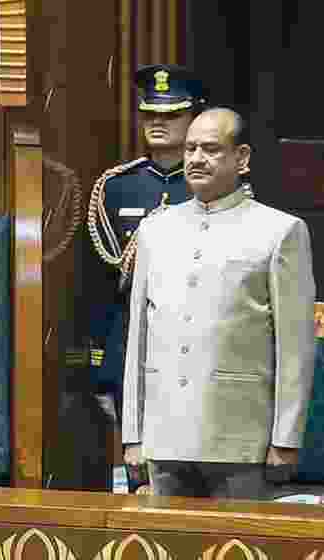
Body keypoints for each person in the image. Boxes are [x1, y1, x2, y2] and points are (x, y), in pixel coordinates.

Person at [121, 107, 316, 499]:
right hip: (164, 435)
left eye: (211, 149)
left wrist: (286, 437)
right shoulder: (155, 230)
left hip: (240, 437)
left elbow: (295, 346)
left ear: (241, 158)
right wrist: (133, 433)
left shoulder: (279, 231)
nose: (195, 158)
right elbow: (139, 339)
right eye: (191, 148)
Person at [84, 65, 207, 490]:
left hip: (194, 334)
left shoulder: (210, 186)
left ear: (194, 117)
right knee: (134, 469)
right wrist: (100, 356)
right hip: (130, 334)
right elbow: (99, 281)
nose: (158, 122)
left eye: (171, 115)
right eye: (150, 113)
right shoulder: (117, 188)